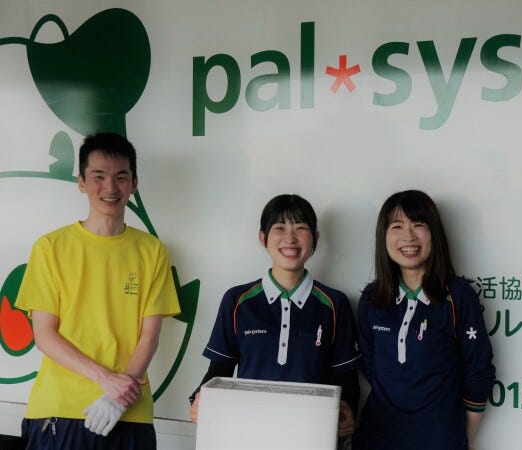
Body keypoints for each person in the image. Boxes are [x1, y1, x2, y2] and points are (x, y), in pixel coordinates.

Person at [15, 132, 181, 450]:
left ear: (134, 184)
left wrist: (119, 396)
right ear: (81, 182)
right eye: (99, 176)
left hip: (129, 411)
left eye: (121, 177)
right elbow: (44, 335)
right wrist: (105, 379)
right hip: (60, 410)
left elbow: (150, 335)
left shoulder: (152, 250)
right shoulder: (50, 247)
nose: (110, 187)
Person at [188, 194, 360, 442]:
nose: (290, 238)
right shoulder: (238, 301)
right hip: (247, 431)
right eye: (279, 228)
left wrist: (349, 410)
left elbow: (347, 377)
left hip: (311, 434)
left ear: (315, 237)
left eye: (301, 228)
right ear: (262, 237)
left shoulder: (334, 303)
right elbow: (220, 369)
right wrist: (199, 398)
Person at [353, 190, 495, 450]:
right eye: (397, 226)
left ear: (434, 233)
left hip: (439, 439)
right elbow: (370, 362)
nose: (408, 236)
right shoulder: (373, 297)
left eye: (418, 224)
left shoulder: (458, 295)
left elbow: (479, 368)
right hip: (376, 436)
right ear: (383, 236)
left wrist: (463, 437)